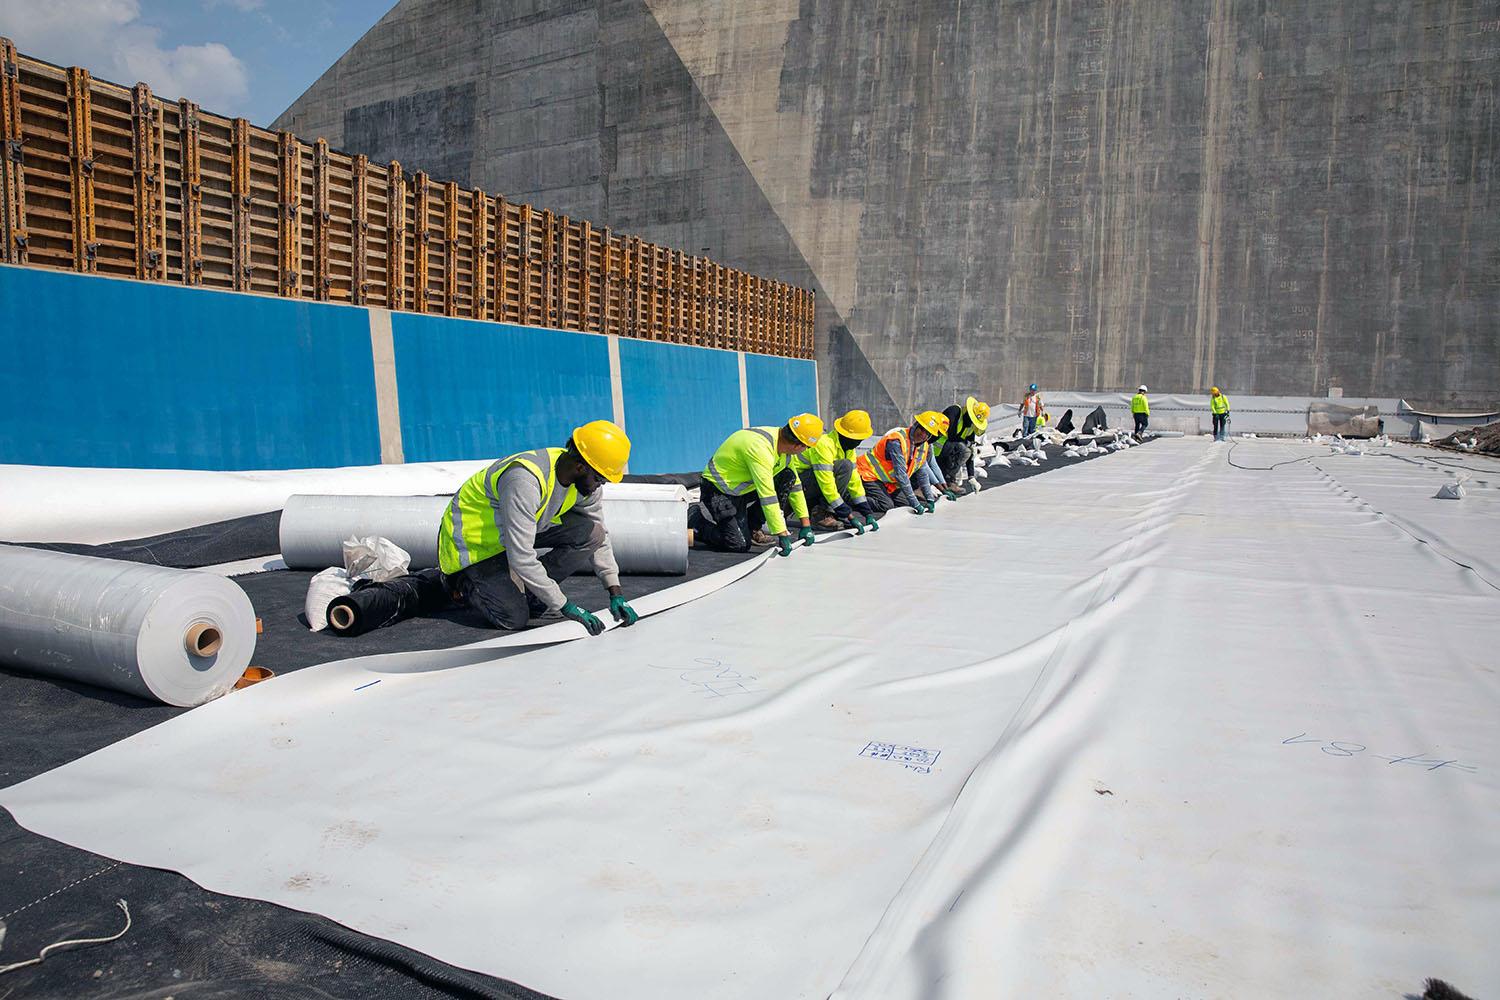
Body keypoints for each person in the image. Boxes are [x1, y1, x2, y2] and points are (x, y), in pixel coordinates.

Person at [434, 420, 637, 636]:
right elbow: (521, 556)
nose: (600, 485)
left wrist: (615, 592)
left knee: (591, 533)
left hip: (511, 536)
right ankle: (463, 585)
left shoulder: (584, 483)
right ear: (580, 467)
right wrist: (565, 605)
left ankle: (532, 594)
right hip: (474, 546)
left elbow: (600, 536)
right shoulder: (524, 480)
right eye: (599, 479)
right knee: (513, 618)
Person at [690, 414, 823, 556]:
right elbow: (767, 495)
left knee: (787, 476)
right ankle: (696, 520)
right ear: (798, 446)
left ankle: (753, 527)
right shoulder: (760, 448)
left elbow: (795, 485)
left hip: (741, 489)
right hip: (718, 491)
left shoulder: (782, 447)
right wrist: (782, 533)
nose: (805, 451)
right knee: (738, 544)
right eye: (807, 447)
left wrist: (806, 524)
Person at [791, 409, 881, 533]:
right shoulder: (824, 444)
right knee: (844, 465)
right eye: (857, 438)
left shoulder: (848, 449)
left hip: (812, 485)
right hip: (796, 485)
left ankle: (827, 511)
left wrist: (867, 512)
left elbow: (854, 481)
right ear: (845, 435)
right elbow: (826, 483)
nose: (858, 442)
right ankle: (822, 514)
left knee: (847, 466)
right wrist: (847, 513)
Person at [857, 411, 949, 514]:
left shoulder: (924, 447)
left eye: (927, 433)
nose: (923, 434)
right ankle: (854, 499)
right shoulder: (897, 440)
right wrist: (915, 503)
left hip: (887, 482)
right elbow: (901, 475)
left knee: (906, 503)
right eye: (922, 429)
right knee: (886, 505)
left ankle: (872, 494)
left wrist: (930, 499)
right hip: (868, 474)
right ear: (915, 425)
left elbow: (923, 474)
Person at [934, 396, 990, 495]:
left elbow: (970, 450)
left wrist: (971, 477)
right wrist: (966, 444)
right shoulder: (954, 412)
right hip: (934, 451)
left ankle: (949, 481)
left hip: (947, 454)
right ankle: (946, 480)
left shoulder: (970, 427)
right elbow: (951, 436)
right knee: (963, 448)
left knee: (968, 450)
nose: (972, 423)